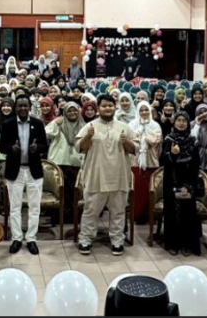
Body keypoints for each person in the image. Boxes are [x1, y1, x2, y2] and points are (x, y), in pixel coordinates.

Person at [76, 95, 138, 257]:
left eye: (110, 105)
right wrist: (88, 136)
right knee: (91, 211)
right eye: (104, 106)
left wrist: (125, 142)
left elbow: (134, 150)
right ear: (98, 108)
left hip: (119, 176)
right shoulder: (89, 126)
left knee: (118, 211)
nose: (107, 108)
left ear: (115, 107)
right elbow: (79, 148)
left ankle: (117, 240)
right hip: (96, 176)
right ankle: (85, 239)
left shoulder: (124, 127)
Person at [0, 96, 48, 255]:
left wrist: (37, 147)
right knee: (15, 207)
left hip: (34, 170)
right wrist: (11, 149)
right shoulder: (8, 124)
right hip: (15, 170)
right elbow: (1, 147)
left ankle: (31, 238)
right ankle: (17, 238)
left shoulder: (37, 123)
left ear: (29, 107)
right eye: (19, 106)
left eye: (25, 106)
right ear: (15, 108)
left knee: (34, 207)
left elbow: (45, 145)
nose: (22, 109)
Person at [161, 111, 202, 256]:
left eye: (184, 120)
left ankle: (187, 244)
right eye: (178, 120)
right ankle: (173, 243)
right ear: (174, 122)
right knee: (172, 212)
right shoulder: (168, 140)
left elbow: (196, 165)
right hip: (171, 181)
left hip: (188, 181)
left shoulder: (193, 141)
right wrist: (173, 154)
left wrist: (188, 186)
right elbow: (163, 162)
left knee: (187, 213)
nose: (181, 123)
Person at [46, 101, 83, 224]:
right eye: (69, 111)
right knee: (60, 192)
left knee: (74, 192)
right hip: (59, 161)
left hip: (76, 162)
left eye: (74, 110)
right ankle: (59, 219)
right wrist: (55, 122)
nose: (72, 113)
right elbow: (46, 133)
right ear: (65, 113)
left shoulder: (83, 125)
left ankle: (73, 218)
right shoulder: (59, 123)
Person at [130, 101, 162, 224]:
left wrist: (144, 132)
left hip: (151, 161)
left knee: (150, 190)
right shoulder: (132, 124)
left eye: (146, 110)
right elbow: (130, 139)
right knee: (138, 189)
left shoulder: (155, 125)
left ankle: (150, 216)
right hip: (135, 162)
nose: (144, 112)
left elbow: (155, 141)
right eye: (141, 110)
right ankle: (137, 215)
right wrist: (141, 133)